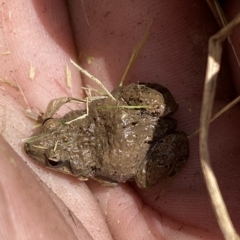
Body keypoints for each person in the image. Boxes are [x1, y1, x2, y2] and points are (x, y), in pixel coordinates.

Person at [1, 0, 240, 239]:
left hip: (148, 147)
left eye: (54, 161)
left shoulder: (93, 170)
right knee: (119, 103)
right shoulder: (85, 145)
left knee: (144, 179)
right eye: (51, 126)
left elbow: (111, 182)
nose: (38, 144)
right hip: (132, 118)